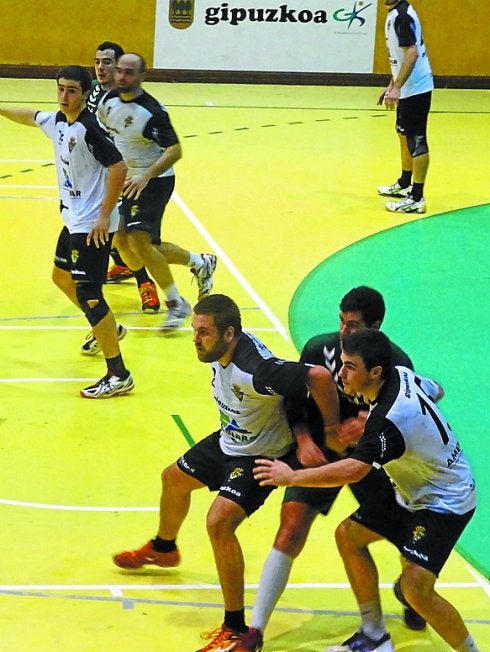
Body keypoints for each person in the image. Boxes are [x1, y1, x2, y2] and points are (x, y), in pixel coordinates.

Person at [112, 294, 340, 651]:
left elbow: (317, 376)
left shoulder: (256, 370)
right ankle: (164, 548)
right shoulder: (224, 353)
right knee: (173, 479)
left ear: (229, 333)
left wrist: (327, 432)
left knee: (219, 522)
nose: (195, 339)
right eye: (194, 331)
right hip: (230, 438)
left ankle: (234, 627)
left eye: (203, 332)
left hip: (260, 455)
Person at [254, 329, 479, 652]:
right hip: (412, 491)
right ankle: (374, 634)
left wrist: (292, 477)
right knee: (348, 537)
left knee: (415, 588)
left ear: (375, 373)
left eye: (350, 367)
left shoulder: (389, 419)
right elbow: (436, 389)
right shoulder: (401, 375)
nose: (340, 374)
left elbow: (353, 470)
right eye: (342, 364)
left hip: (445, 501)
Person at [236, 287, 422, 652]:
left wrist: (369, 425)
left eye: (353, 325)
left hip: (371, 458)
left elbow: (409, 416)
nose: (343, 331)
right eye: (341, 320)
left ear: (375, 327)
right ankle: (255, 630)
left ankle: (411, 593)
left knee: (406, 536)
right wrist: (304, 439)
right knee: (290, 528)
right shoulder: (318, 350)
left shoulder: (397, 365)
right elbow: (293, 400)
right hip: (320, 451)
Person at [0, 66, 134, 398]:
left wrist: (104, 215)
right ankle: (108, 328)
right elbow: (30, 115)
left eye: (72, 90)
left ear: (85, 93)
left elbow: (118, 167)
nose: (64, 96)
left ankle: (118, 374)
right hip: (74, 219)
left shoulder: (89, 128)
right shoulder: (59, 121)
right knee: (61, 277)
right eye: (60, 88)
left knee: (90, 296)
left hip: (91, 225)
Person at [97, 52, 217, 332]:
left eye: (129, 72)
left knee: (138, 241)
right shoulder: (107, 101)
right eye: (120, 70)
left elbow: (175, 150)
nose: (122, 76)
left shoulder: (152, 113)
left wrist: (145, 175)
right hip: (125, 179)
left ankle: (176, 304)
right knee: (122, 242)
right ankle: (199, 262)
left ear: (142, 76)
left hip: (154, 180)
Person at [87, 40, 161, 316]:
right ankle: (123, 263)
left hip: (126, 174)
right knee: (112, 232)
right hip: (100, 170)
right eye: (97, 62)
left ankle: (146, 283)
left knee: (124, 235)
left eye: (107, 62)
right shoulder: (94, 92)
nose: (101, 67)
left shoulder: (128, 100)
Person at [377, 0, 433, 214]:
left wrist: (398, 86)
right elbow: (399, 57)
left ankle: (417, 198)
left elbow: (412, 53)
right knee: (402, 132)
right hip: (407, 86)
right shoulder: (395, 13)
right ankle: (404, 182)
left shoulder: (402, 16)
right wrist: (392, 84)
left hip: (416, 87)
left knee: (416, 139)